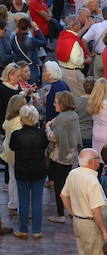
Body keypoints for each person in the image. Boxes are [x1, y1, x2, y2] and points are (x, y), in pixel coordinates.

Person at [61, 148, 107, 255]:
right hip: (91, 223)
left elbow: (63, 195)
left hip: (78, 221)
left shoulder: (73, 173)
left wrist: (73, 213)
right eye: (98, 159)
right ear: (91, 162)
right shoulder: (92, 181)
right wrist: (104, 230)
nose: (100, 162)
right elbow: (96, 210)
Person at [9, 104, 48, 238]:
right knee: (37, 201)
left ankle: (23, 229)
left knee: (23, 200)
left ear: (22, 118)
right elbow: (44, 147)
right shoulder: (42, 134)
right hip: (39, 170)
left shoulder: (16, 135)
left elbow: (12, 147)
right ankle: (37, 231)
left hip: (22, 171)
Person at [46, 90, 82, 224]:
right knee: (66, 184)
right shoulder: (73, 115)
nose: (54, 104)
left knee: (59, 187)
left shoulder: (62, 118)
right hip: (70, 155)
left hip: (59, 156)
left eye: (56, 102)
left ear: (63, 103)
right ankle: (70, 210)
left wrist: (47, 127)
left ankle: (61, 214)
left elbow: (54, 137)